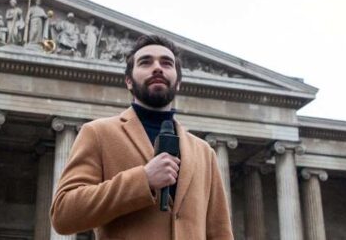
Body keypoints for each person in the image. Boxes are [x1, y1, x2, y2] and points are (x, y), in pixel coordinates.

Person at [50, 35, 233, 240]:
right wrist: (143, 180)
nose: (157, 68)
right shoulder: (98, 133)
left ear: (178, 82)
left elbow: (220, 232)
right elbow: (63, 214)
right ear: (129, 81)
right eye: (146, 62)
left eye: (166, 63)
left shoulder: (204, 152)